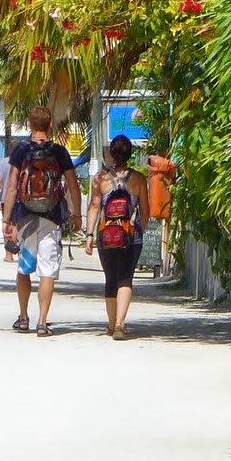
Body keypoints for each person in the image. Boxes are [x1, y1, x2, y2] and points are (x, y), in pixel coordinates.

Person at [1, 106, 82, 337]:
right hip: (52, 217)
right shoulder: (59, 151)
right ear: (50, 126)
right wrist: (76, 215)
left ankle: (23, 317)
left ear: (30, 125)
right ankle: (42, 321)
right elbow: (73, 185)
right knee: (47, 270)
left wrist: (7, 219)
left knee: (24, 267)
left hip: (25, 216)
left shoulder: (21, 150)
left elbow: (12, 187)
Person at [84, 134, 149, 340]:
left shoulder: (100, 178)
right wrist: (139, 231)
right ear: (130, 154)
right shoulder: (139, 179)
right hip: (130, 235)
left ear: (111, 154)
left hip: (106, 235)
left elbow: (94, 206)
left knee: (110, 278)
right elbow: (145, 211)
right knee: (125, 278)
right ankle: (120, 324)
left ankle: (111, 324)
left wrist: (89, 234)